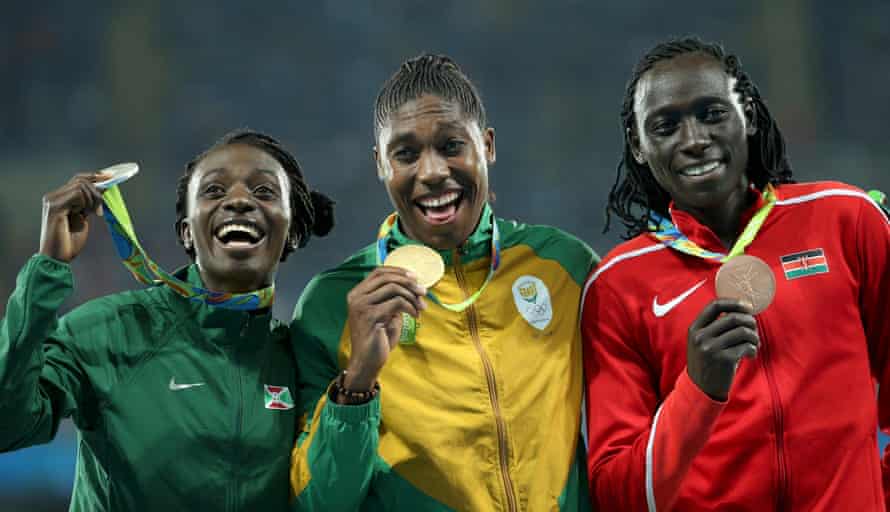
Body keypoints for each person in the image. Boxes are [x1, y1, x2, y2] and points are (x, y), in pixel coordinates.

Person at [582, 36, 890, 511]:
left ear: (746, 114)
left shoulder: (845, 221)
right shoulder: (618, 287)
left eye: (712, 113)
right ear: (639, 147)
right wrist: (698, 390)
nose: (693, 140)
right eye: (665, 125)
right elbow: (619, 495)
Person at [289, 54, 598, 511]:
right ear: (381, 164)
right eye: (406, 154)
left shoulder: (565, 267)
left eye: (452, 146)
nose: (432, 172)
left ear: (487, 146)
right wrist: (356, 383)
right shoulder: (332, 304)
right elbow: (319, 503)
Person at [0, 130, 351, 510]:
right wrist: (47, 270)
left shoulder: (303, 362)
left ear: (292, 232)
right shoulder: (110, 331)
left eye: (264, 192)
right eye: (214, 191)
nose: (238, 201)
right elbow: (8, 424)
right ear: (187, 232)